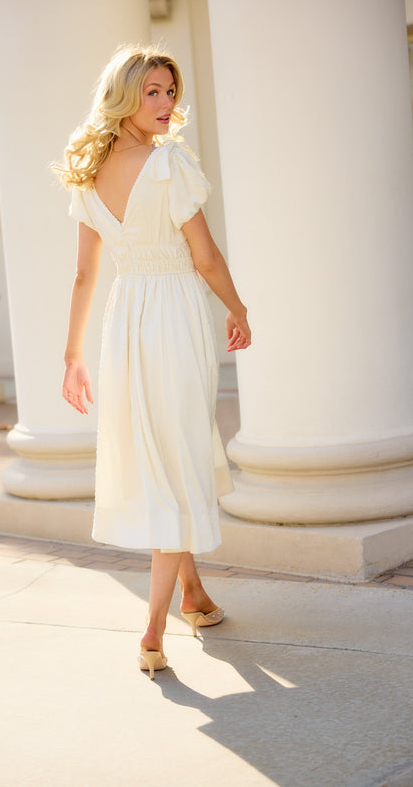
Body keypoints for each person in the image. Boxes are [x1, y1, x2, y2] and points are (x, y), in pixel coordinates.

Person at [55, 44, 251, 680]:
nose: (167, 104)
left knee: (164, 451)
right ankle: (152, 632)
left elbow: (86, 275)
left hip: (125, 318)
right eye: (154, 93)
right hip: (172, 313)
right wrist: (239, 308)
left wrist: (73, 356)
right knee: (179, 454)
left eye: (171, 90)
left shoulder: (90, 173)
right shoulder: (167, 163)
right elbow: (206, 257)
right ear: (126, 97)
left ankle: (195, 596)